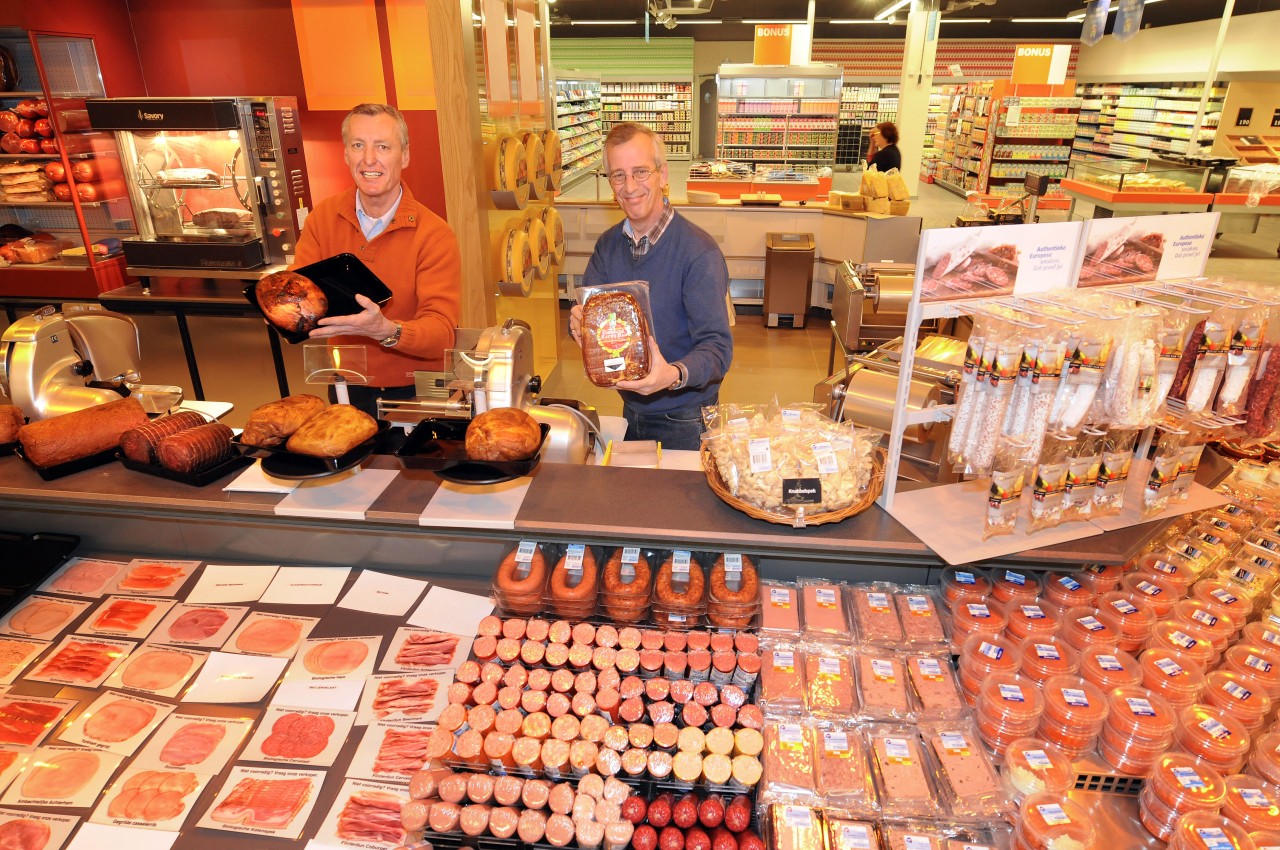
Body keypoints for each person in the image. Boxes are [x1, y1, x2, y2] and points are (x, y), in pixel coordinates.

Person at [569, 122, 733, 452]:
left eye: (640, 171)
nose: (630, 186)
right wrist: (579, 327)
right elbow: (593, 317)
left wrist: (671, 374)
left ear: (663, 174)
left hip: (685, 416)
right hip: (632, 409)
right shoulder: (608, 246)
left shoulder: (698, 251)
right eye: (618, 175)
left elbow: (717, 349)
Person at [292, 102, 461, 418]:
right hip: (347, 384)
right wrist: (280, 308)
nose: (369, 159)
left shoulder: (435, 234)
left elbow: (442, 334)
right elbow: (298, 296)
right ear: (346, 154)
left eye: (382, 147)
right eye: (358, 145)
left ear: (405, 156)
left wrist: (385, 330)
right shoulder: (321, 220)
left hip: (421, 388)